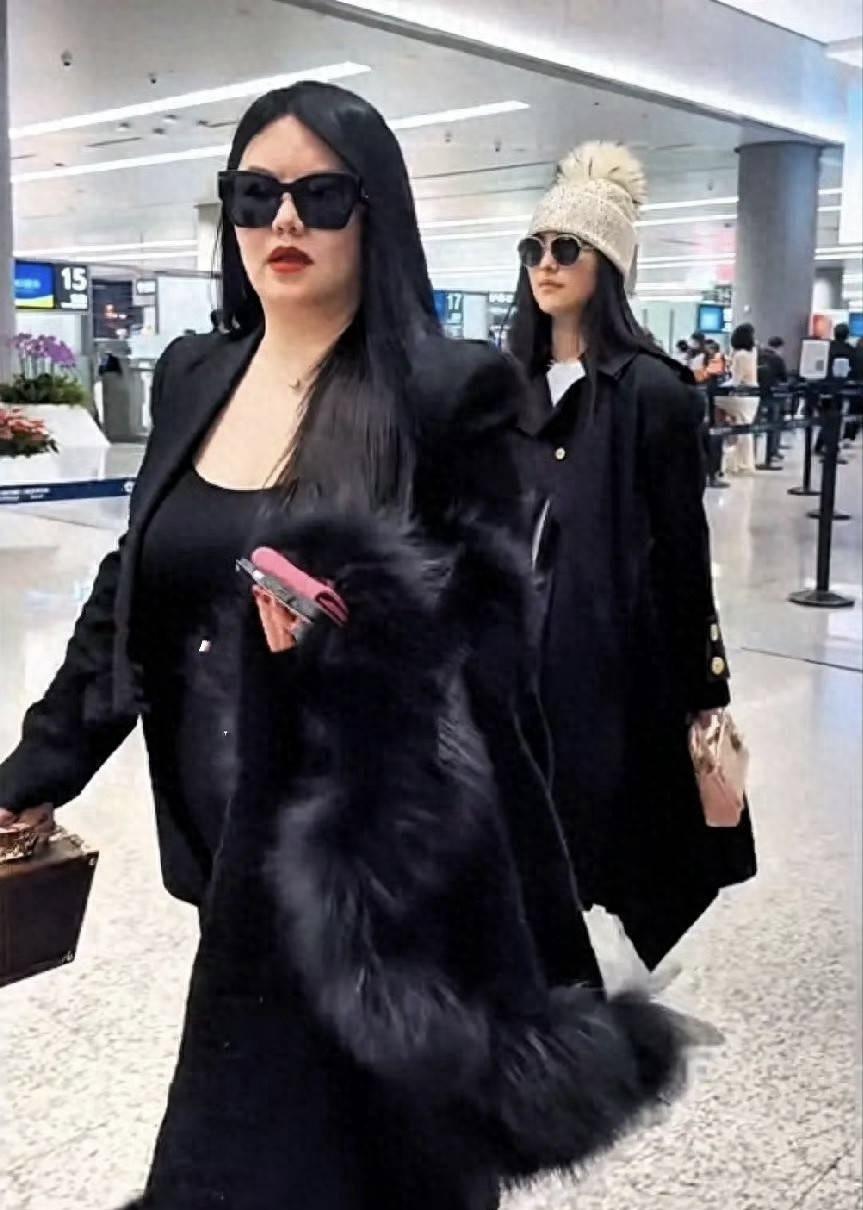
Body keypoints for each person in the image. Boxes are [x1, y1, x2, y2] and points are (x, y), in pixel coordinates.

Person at [0, 87, 684, 1210]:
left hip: (379, 880)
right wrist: (36, 771)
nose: (283, 221)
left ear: (375, 213)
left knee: (354, 1164)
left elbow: (487, 663)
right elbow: (134, 591)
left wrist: (360, 641)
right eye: (254, 194)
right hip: (227, 860)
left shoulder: (444, 393)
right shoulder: (195, 375)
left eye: (319, 196)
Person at [507, 141, 755, 974]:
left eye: (566, 248)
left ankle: (591, 995)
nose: (546, 264)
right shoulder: (509, 387)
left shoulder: (651, 391)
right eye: (534, 248)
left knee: (608, 848)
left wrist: (704, 692)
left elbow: (682, 551)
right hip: (517, 664)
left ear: (606, 265)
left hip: (612, 669)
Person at [721, 323, 760, 475]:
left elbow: (735, 381)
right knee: (745, 429)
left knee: (714, 402)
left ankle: (737, 462)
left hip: (742, 396)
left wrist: (720, 387)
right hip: (752, 395)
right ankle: (744, 464)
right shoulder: (752, 352)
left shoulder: (739, 356)